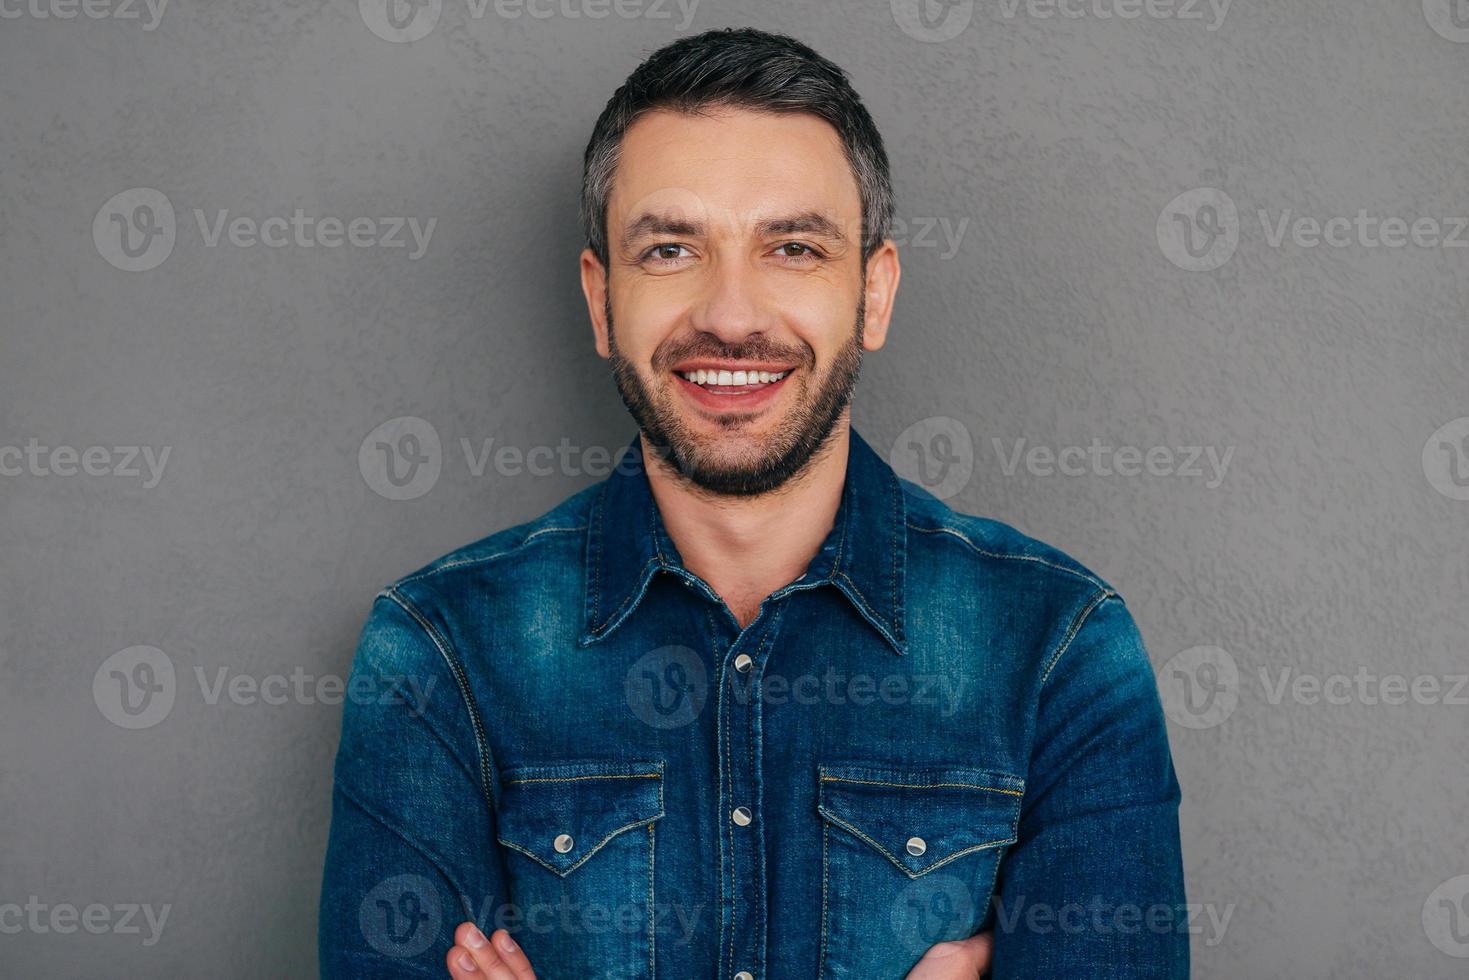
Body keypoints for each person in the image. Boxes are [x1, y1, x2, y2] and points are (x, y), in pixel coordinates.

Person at [319, 27, 1188, 979]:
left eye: (794, 247)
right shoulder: (438, 653)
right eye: (669, 249)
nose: (730, 314)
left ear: (874, 293)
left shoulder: (1060, 650)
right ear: (601, 299)